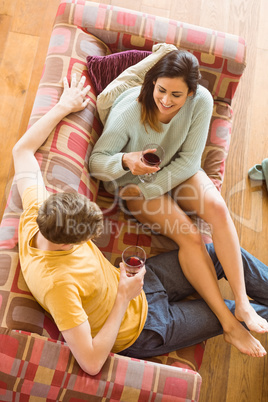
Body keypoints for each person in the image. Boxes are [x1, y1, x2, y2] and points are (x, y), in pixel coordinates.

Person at [14, 74, 268, 379]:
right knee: (236, 313)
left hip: (141, 280)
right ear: (67, 243)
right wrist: (123, 296)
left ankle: (240, 308)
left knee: (223, 255)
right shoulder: (58, 285)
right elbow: (92, 361)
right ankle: (233, 322)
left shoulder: (37, 213)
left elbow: (22, 151)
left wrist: (63, 107)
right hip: (144, 327)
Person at [88, 48, 268, 347]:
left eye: (176, 94)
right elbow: (96, 162)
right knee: (191, 236)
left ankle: (243, 304)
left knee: (219, 210)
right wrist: (125, 161)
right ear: (152, 84)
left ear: (191, 92)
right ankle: (228, 322)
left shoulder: (201, 102)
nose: (166, 100)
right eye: (161, 90)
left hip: (175, 168)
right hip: (134, 182)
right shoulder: (130, 110)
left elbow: (188, 160)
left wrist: (154, 186)